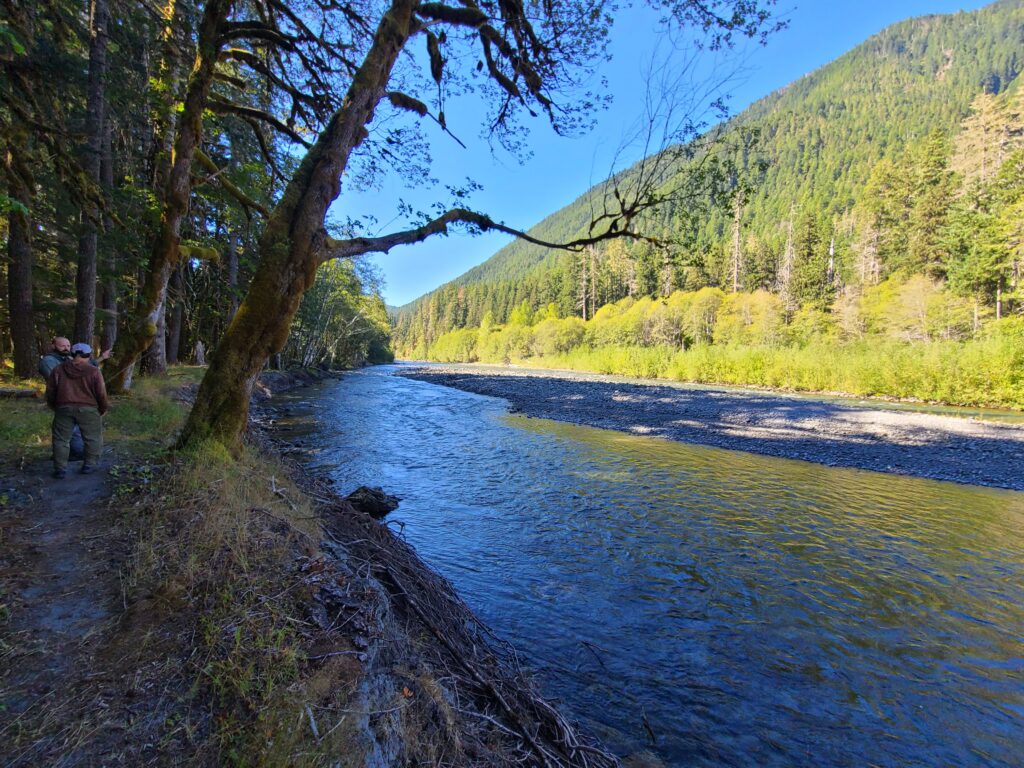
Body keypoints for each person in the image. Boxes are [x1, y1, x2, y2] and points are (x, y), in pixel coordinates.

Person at [45, 343, 110, 479]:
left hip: (63, 408)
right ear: (88, 355)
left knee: (60, 439)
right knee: (92, 438)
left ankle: (60, 469)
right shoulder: (93, 371)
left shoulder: (58, 369)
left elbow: (50, 391)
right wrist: (103, 409)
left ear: (73, 354)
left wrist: (54, 406)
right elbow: (101, 393)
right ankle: (89, 465)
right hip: (89, 409)